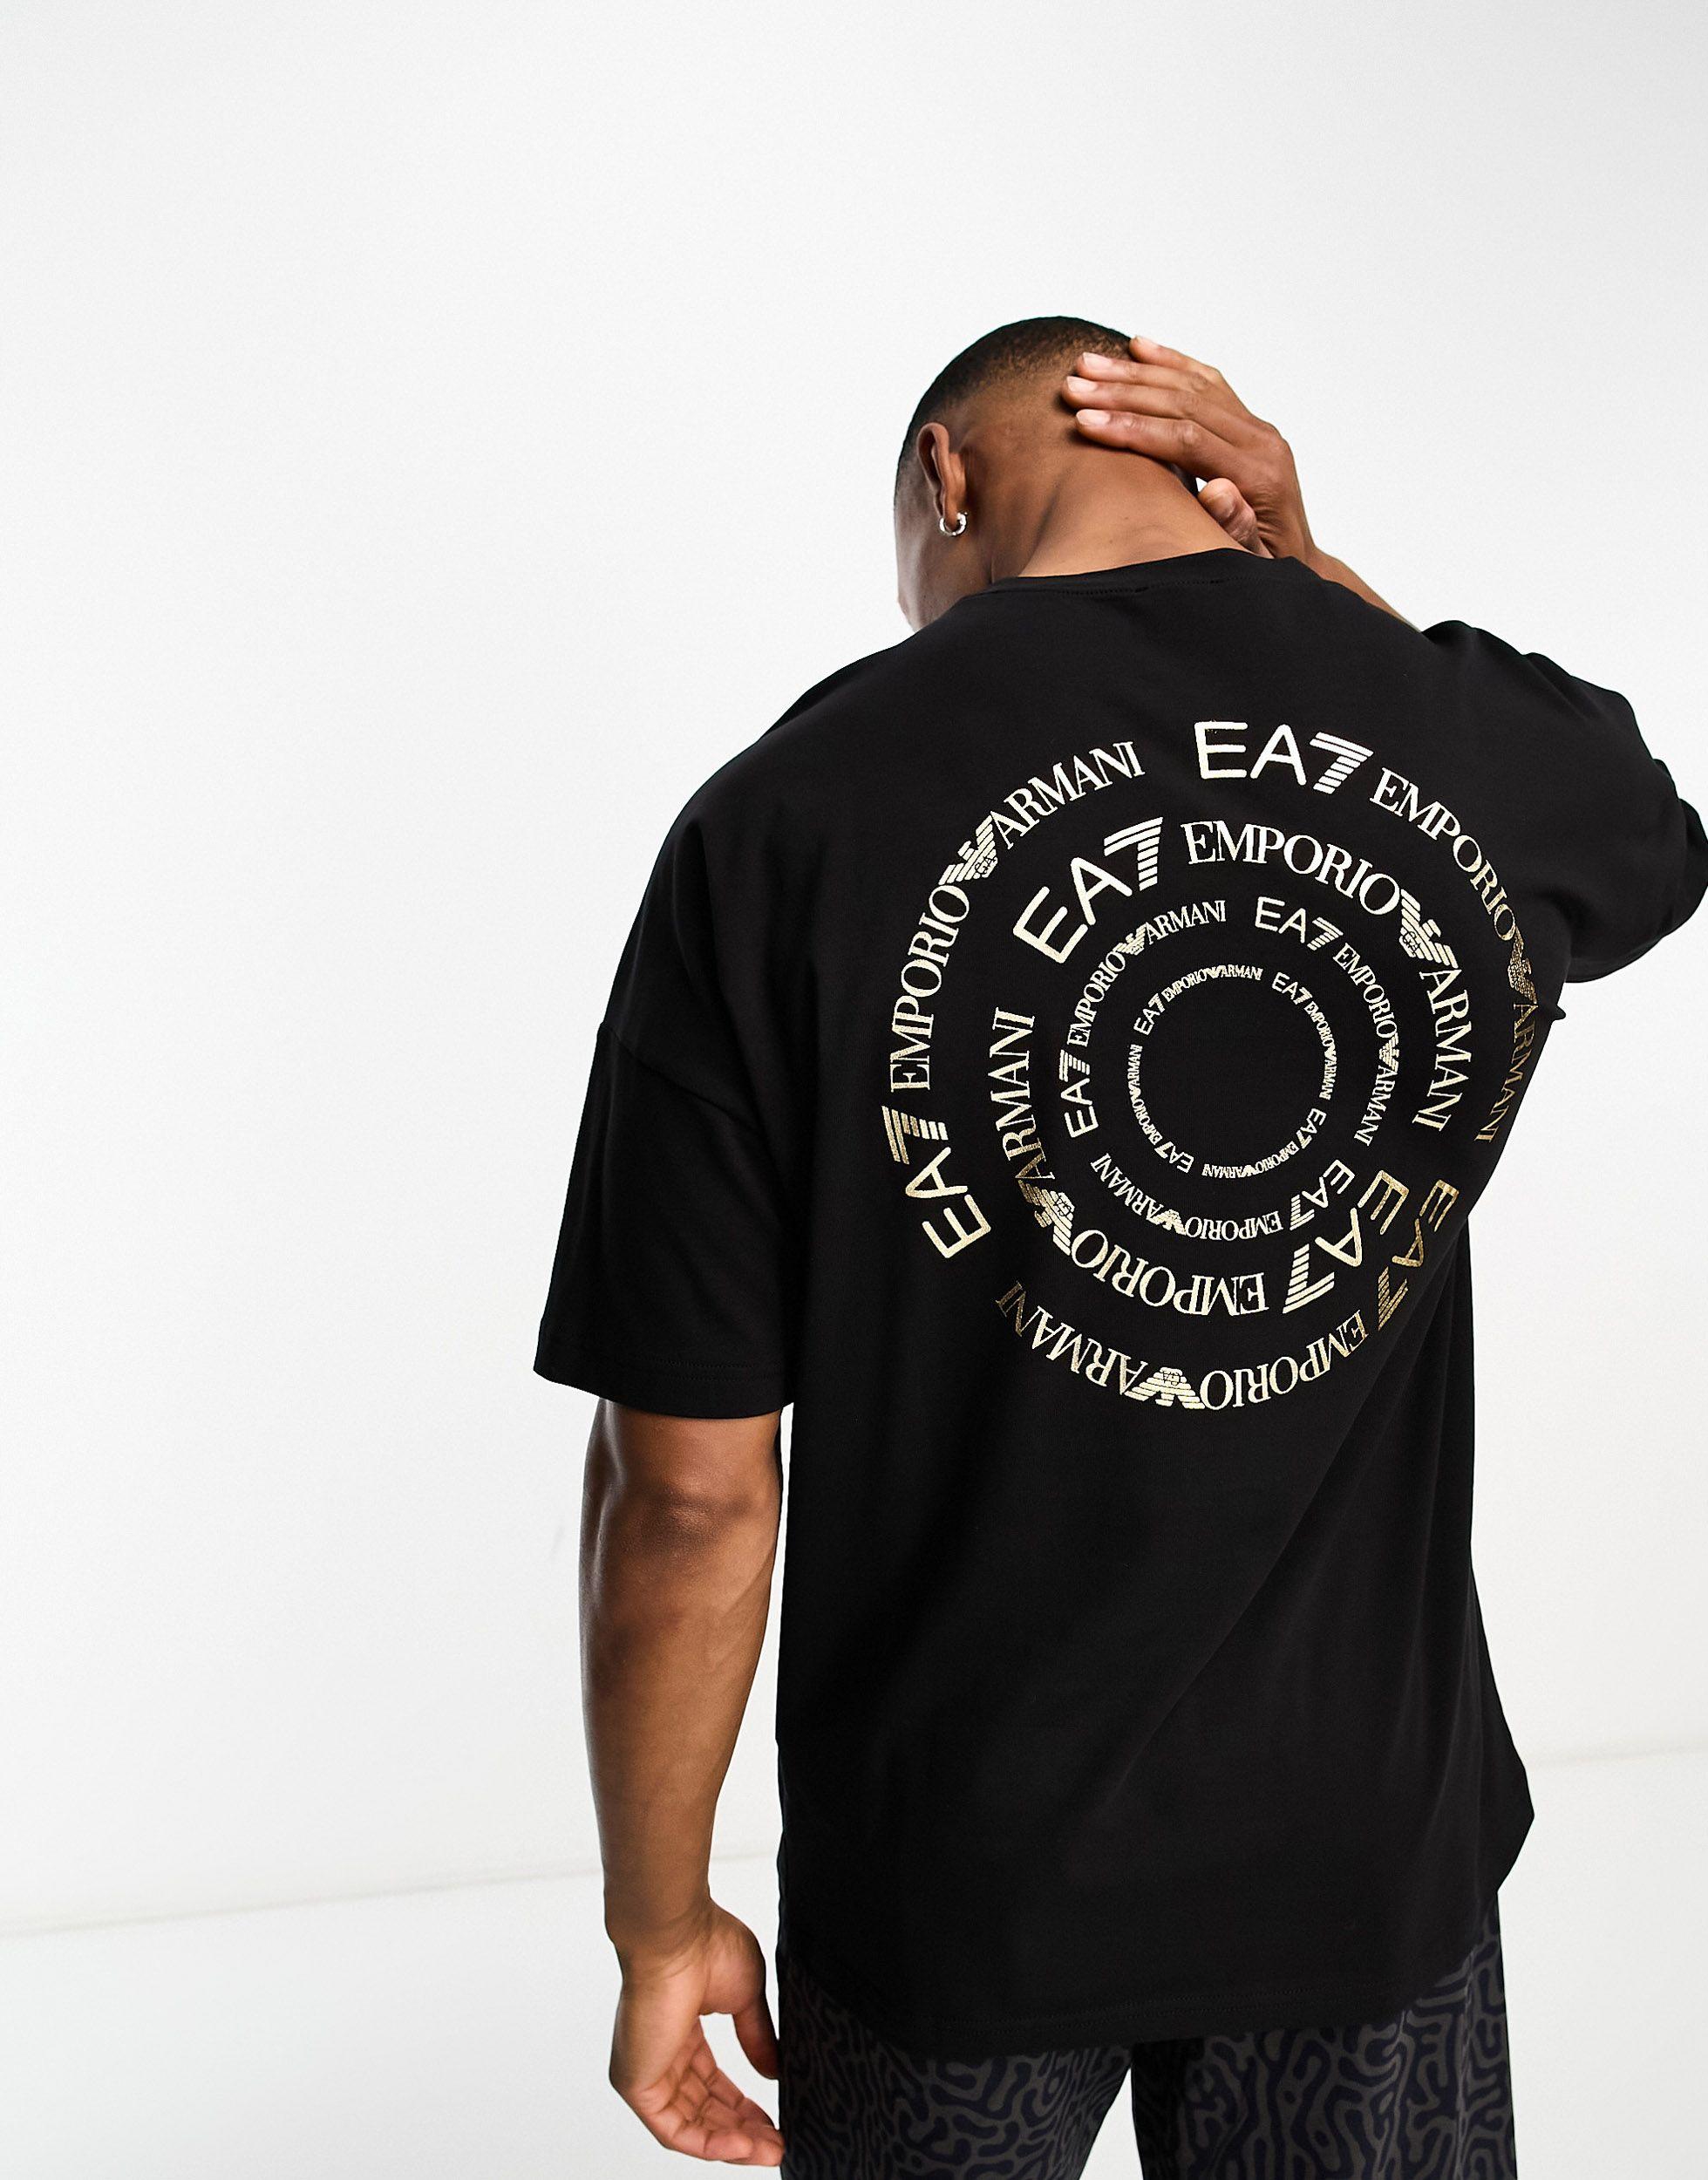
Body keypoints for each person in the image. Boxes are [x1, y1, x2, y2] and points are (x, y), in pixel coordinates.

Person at [534, 317, 1706, 2177]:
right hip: (1353, 1849)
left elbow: (686, 1494)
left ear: (946, 477)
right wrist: (1308, 571)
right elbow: (1649, 845)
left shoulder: (780, 821)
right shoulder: (1454, 742)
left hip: (953, 1878)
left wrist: (657, 1920)